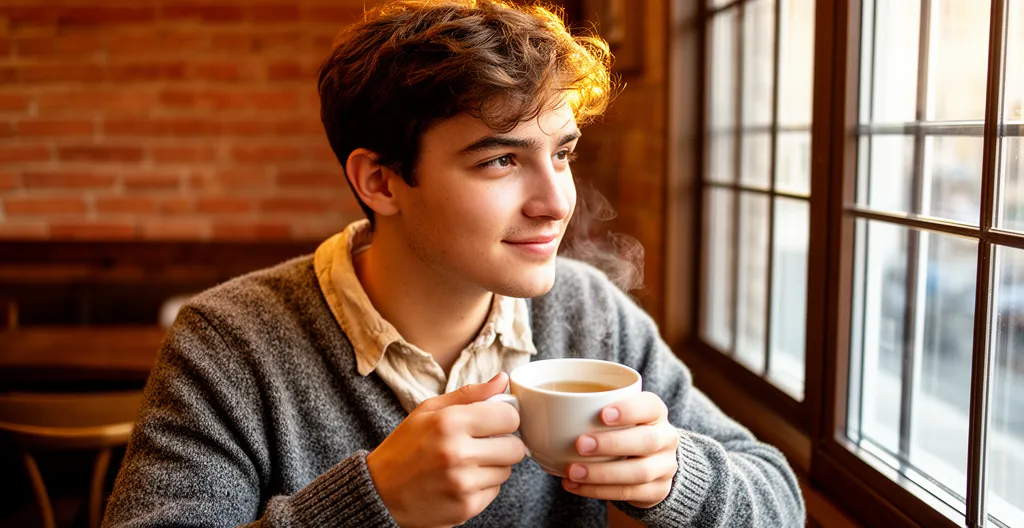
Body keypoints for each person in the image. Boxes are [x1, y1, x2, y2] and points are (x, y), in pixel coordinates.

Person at [103, 1, 805, 526]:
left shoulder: (589, 313)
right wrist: (368, 503)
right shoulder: (228, 343)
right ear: (379, 181)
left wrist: (676, 474)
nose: (555, 203)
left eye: (560, 153)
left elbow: (778, 499)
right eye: (502, 159)